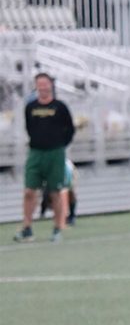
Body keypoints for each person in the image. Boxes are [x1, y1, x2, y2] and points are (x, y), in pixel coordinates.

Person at [13, 73, 75, 243]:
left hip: (55, 153)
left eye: (45, 84)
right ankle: (27, 227)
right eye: (39, 84)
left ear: (51, 86)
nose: (42, 87)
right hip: (36, 153)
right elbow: (29, 127)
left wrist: (60, 144)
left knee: (55, 192)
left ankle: (57, 228)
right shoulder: (30, 107)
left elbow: (69, 129)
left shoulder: (60, 107)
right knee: (29, 191)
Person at [40, 158, 78, 227]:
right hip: (50, 179)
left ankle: (71, 216)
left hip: (68, 177)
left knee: (71, 192)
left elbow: (69, 183)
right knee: (49, 193)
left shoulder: (68, 169)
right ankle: (44, 206)